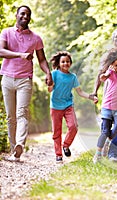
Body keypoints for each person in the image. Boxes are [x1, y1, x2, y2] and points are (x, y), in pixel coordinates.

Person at [0, 5, 53, 162]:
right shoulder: (6, 33)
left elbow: (42, 59)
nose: (25, 16)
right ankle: (13, 150)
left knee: (22, 113)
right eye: (22, 13)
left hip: (25, 80)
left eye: (28, 14)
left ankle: (20, 145)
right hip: (7, 79)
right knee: (11, 117)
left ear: (30, 17)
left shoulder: (36, 38)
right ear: (16, 15)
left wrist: (48, 73)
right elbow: (1, 51)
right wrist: (20, 55)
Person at [48, 51, 98, 163]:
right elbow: (50, 90)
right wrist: (50, 84)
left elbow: (80, 92)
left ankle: (66, 145)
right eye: (63, 62)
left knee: (73, 126)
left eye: (67, 61)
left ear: (70, 63)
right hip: (55, 106)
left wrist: (92, 97)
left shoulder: (73, 77)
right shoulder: (54, 74)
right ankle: (58, 154)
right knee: (57, 131)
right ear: (59, 63)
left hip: (68, 106)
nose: (65, 63)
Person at [91, 29, 117, 161]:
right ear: (113, 39)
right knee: (106, 126)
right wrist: (95, 92)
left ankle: (113, 153)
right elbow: (100, 74)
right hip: (110, 96)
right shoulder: (108, 56)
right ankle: (103, 147)